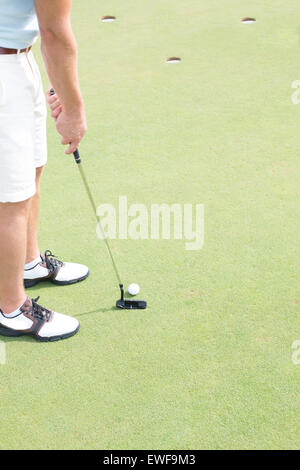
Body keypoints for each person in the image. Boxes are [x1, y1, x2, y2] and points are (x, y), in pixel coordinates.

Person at [0, 0, 88, 341]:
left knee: (32, 168)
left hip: (18, 58)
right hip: (5, 69)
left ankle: (29, 263)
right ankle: (11, 308)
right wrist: (75, 110)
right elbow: (54, 33)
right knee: (10, 198)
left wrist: (58, 86)